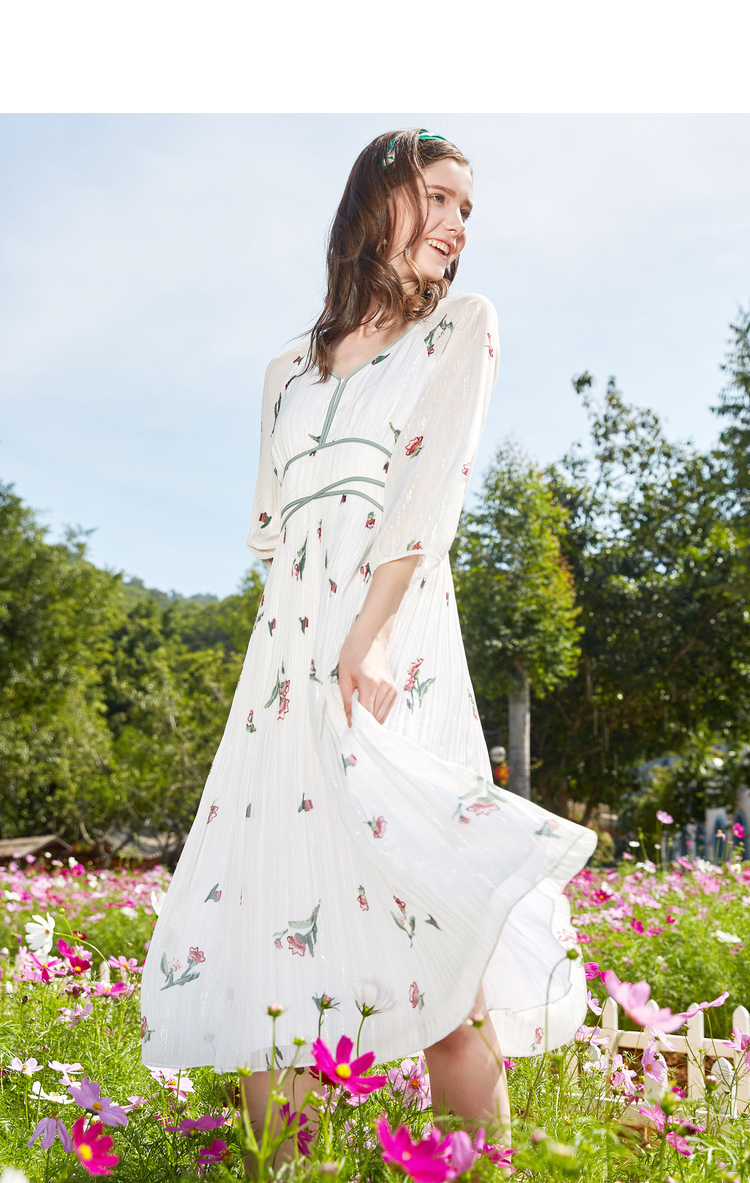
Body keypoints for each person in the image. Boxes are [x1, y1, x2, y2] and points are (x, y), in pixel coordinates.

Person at [139, 128, 597, 1153]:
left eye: (466, 210)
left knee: (441, 961)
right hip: (285, 666)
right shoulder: (285, 374)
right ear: (373, 202)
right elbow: (277, 536)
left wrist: (372, 638)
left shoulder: (460, 328)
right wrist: (304, 653)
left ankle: (480, 1172)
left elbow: (429, 499)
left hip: (398, 648)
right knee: (273, 943)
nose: (455, 224)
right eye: (435, 197)